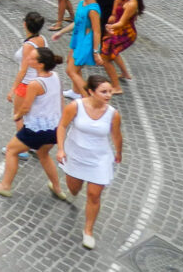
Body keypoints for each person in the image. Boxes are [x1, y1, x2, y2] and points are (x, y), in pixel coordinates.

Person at [0, 47, 67, 201]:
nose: (28, 59)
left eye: (32, 58)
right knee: (44, 155)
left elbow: (26, 107)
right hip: (53, 127)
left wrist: (17, 116)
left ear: (40, 64)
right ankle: (57, 187)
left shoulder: (35, 83)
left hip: (36, 129)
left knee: (11, 151)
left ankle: (5, 186)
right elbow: (59, 100)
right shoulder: (55, 76)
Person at [56, 75, 123, 250]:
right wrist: (61, 149)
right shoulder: (75, 107)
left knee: (94, 195)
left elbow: (116, 134)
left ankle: (88, 231)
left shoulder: (113, 114)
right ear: (91, 92)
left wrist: (118, 152)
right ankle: (71, 192)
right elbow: (62, 126)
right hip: (76, 154)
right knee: (74, 189)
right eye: (104, 92)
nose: (108, 95)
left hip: (99, 158)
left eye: (110, 91)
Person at [52, 0, 102, 99]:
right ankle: (76, 92)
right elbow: (77, 22)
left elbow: (97, 32)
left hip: (85, 42)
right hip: (77, 39)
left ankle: (88, 98)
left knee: (71, 71)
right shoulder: (81, 3)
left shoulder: (93, 9)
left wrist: (96, 51)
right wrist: (62, 32)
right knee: (72, 64)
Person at [8, 12, 48, 145]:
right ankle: (34, 143)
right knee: (32, 115)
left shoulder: (28, 45)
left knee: (19, 115)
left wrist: (13, 88)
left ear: (25, 24)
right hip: (40, 82)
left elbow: (23, 70)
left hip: (26, 84)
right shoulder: (42, 39)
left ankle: (23, 145)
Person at [99, 0, 143, 95]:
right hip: (118, 30)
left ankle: (117, 87)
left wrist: (108, 27)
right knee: (113, 52)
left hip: (125, 33)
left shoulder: (131, 4)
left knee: (105, 58)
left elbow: (122, 22)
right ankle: (125, 73)